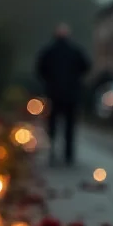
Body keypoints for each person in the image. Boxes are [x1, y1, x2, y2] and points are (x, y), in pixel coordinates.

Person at [36, 23, 91, 166]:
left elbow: (40, 69)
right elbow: (86, 66)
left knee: (52, 123)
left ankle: (52, 150)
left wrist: (48, 82)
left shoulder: (48, 51)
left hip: (53, 94)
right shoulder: (75, 51)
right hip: (71, 95)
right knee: (70, 126)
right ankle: (69, 155)